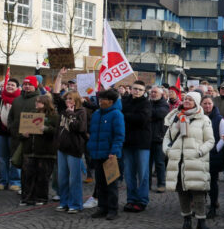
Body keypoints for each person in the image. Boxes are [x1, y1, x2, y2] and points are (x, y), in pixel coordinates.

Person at [164, 92, 215, 229]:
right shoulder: (176, 117)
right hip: (178, 160)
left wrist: (199, 152)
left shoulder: (203, 119)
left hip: (195, 160)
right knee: (182, 192)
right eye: (185, 99)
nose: (186, 101)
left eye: (190, 99)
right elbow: (167, 137)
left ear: (196, 102)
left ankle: (201, 222)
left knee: (198, 192)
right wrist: (167, 151)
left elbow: (210, 141)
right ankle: (186, 220)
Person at [87, 89, 125, 220]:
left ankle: (113, 209)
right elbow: (92, 132)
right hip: (97, 153)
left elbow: (119, 135)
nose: (100, 101)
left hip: (110, 155)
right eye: (100, 99)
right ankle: (102, 207)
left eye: (103, 99)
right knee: (100, 183)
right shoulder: (97, 113)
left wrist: (113, 152)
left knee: (111, 184)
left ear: (111, 101)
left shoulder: (117, 114)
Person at [19, 94, 59, 206]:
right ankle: (27, 198)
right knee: (27, 175)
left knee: (42, 176)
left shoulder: (54, 116)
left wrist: (46, 128)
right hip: (30, 150)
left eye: (39, 102)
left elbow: (56, 132)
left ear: (46, 103)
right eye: (36, 101)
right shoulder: (31, 114)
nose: (36, 103)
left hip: (45, 152)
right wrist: (23, 134)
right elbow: (21, 132)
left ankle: (41, 198)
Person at [121, 80, 152, 212]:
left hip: (142, 143)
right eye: (135, 89)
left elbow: (142, 119)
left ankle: (142, 200)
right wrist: (130, 117)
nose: (137, 91)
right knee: (129, 174)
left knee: (143, 174)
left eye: (140, 89)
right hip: (127, 142)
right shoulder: (124, 101)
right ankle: (131, 199)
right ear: (131, 89)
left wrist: (126, 116)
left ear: (144, 92)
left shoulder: (146, 103)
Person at [55, 91, 88, 213]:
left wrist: (70, 114)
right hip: (62, 147)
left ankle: (75, 204)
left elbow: (80, 128)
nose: (68, 101)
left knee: (74, 179)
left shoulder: (81, 111)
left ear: (76, 100)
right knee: (62, 178)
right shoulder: (63, 111)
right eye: (67, 99)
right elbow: (56, 97)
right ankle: (64, 202)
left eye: (70, 99)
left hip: (74, 148)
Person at [0, 78, 21, 190]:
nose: (10, 87)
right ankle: (3, 181)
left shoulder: (20, 100)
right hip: (0, 133)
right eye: (8, 85)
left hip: (14, 134)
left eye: (12, 85)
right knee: (2, 158)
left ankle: (15, 182)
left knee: (14, 158)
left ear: (17, 88)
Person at [201, 95, 224, 219]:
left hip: (213, 155)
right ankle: (200, 205)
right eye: (205, 103)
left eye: (209, 103)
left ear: (213, 105)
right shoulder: (198, 117)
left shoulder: (219, 119)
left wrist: (215, 150)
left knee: (212, 182)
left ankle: (213, 206)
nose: (207, 106)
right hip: (200, 154)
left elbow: (223, 137)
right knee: (201, 182)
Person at [148, 86, 169, 192]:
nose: (153, 94)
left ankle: (161, 184)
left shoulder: (164, 104)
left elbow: (158, 114)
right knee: (147, 164)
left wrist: (148, 113)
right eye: (152, 92)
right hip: (148, 138)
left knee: (159, 163)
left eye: (155, 92)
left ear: (161, 94)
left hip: (159, 138)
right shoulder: (148, 103)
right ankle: (147, 185)